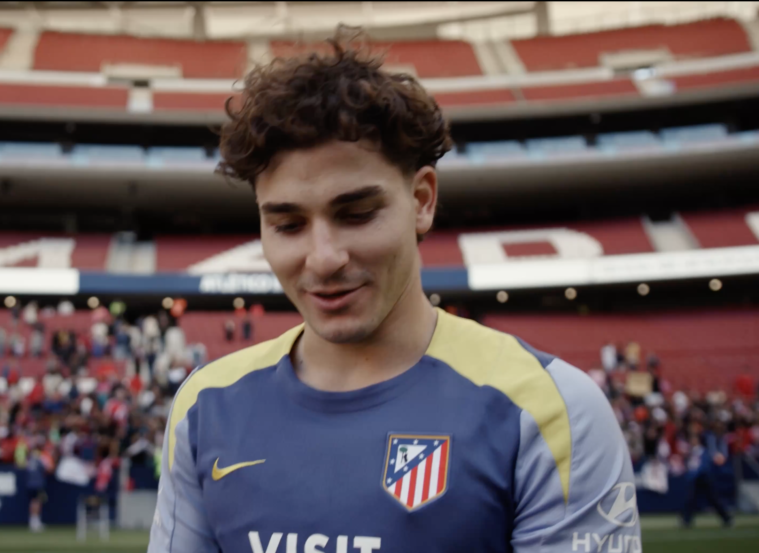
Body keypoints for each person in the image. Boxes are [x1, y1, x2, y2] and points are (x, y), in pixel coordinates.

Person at [148, 30, 640, 553]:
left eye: (356, 214)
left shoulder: (550, 407)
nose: (323, 257)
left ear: (422, 200)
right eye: (288, 225)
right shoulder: (205, 405)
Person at [681, 425, 734, 528]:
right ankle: (686, 520)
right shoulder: (690, 453)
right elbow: (689, 466)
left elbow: (703, 466)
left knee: (713, 499)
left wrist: (693, 474)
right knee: (690, 499)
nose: (692, 441)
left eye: (694, 439)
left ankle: (726, 518)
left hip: (704, 478)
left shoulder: (703, 451)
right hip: (695, 479)